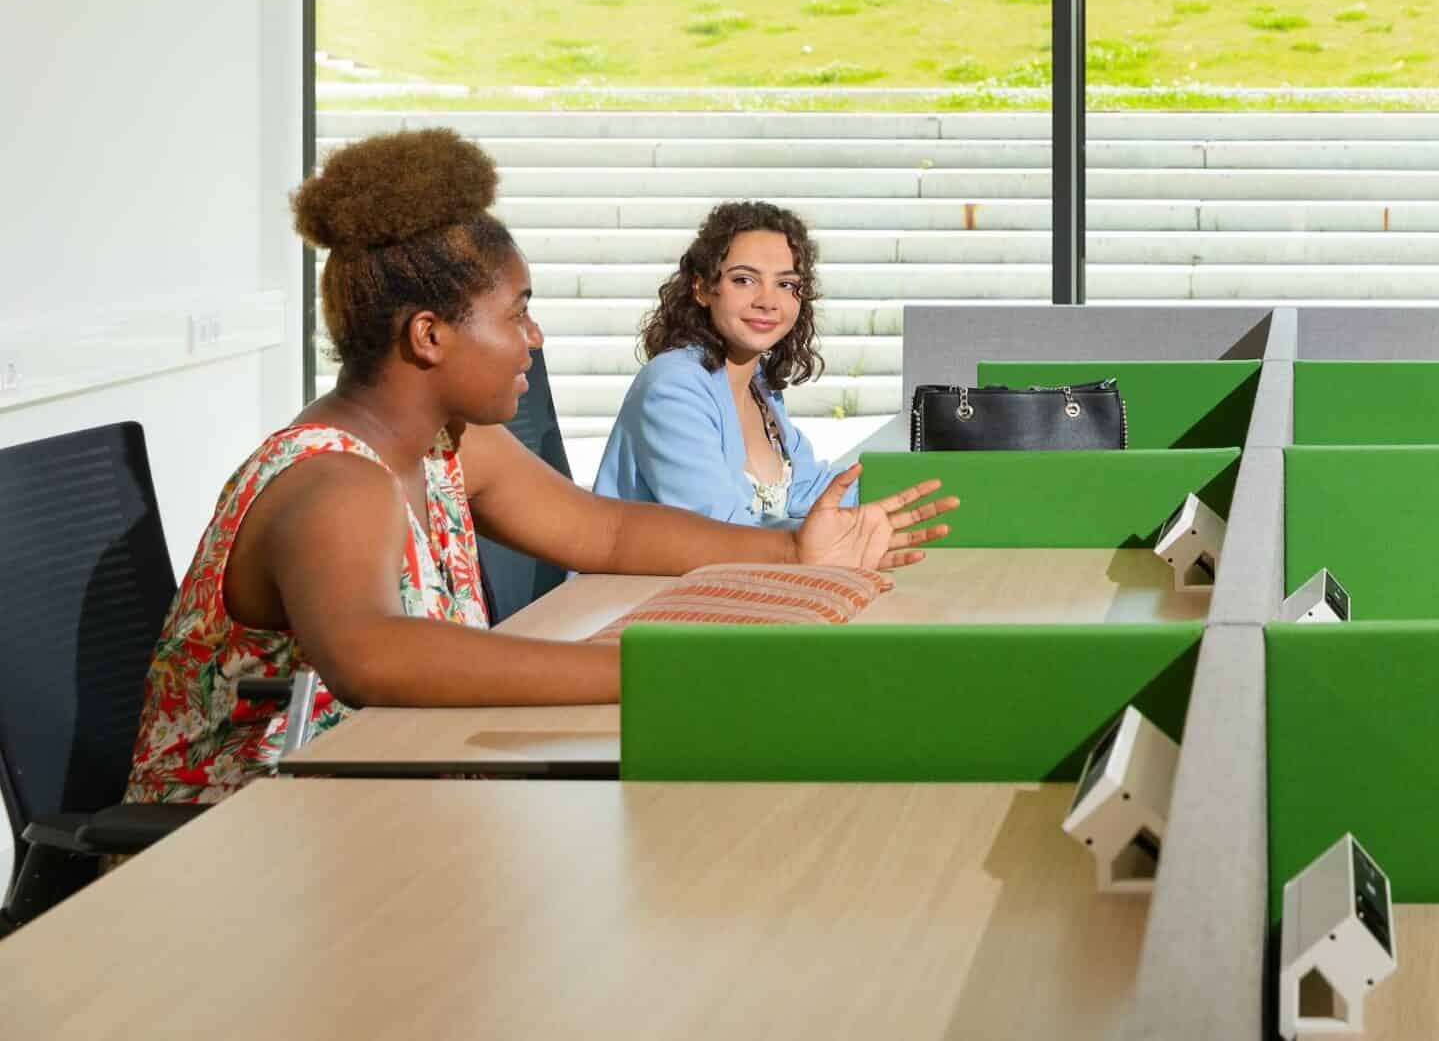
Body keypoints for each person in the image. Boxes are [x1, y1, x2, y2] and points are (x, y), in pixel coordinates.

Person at [125, 129, 957, 806]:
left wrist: (790, 551)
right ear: (429, 336)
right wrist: (647, 669)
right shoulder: (333, 482)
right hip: (236, 843)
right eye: (518, 312)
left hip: (378, 794)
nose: (536, 337)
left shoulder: (453, 447)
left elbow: (607, 530)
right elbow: (370, 653)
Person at [594, 201, 847, 527]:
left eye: (786, 284)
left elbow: (807, 490)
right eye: (744, 280)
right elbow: (722, 528)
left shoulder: (758, 384)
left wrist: (903, 492)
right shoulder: (672, 388)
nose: (768, 302)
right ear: (702, 288)